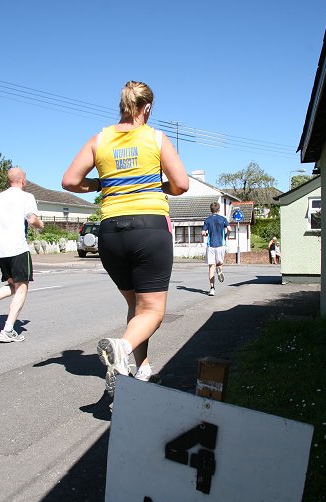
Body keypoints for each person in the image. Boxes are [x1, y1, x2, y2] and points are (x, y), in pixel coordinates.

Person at [62, 81, 189, 397]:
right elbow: (182, 184)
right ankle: (122, 350)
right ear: (147, 108)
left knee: (136, 305)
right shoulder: (155, 138)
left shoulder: (100, 139)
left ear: (121, 106)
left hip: (110, 232)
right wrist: (160, 188)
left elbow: (70, 181)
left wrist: (101, 184)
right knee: (153, 310)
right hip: (148, 228)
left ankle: (141, 369)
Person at [0, 167, 44, 342]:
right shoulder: (26, 197)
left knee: (13, 285)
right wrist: (40, 224)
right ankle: (7, 331)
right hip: (18, 248)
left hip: (0, 250)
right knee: (22, 289)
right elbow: (31, 219)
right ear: (22, 180)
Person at [201, 202, 231, 296]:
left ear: (211, 210)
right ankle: (220, 270)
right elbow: (229, 229)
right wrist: (226, 235)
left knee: (211, 267)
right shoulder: (223, 219)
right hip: (220, 245)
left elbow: (202, 233)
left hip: (211, 245)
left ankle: (212, 289)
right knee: (219, 263)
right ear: (219, 210)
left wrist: (207, 234)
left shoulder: (207, 220)